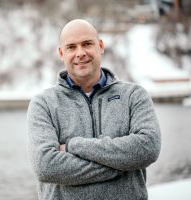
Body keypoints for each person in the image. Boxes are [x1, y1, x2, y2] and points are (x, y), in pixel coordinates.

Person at [27, 19, 161, 200]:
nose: (80, 53)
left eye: (87, 44)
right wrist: (121, 164)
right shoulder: (43, 104)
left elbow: (147, 148)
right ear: (61, 53)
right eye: (71, 47)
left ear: (100, 46)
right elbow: (46, 167)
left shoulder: (134, 95)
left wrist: (73, 145)